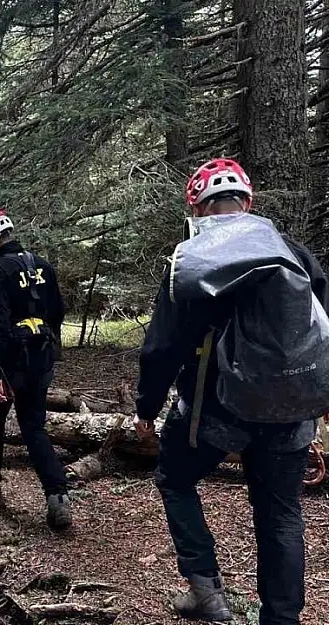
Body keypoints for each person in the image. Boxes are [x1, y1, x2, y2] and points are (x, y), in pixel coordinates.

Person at [134, 158, 326, 625]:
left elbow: (164, 345)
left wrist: (147, 408)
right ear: (248, 202)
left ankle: (205, 590)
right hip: (292, 412)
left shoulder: (194, 257)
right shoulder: (295, 253)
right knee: (279, 512)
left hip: (215, 410)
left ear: (196, 207)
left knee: (175, 480)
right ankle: (281, 619)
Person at [0, 208, 71, 531]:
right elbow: (58, 312)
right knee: (34, 427)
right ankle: (57, 496)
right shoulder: (42, 265)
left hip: (8, 363)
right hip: (41, 358)